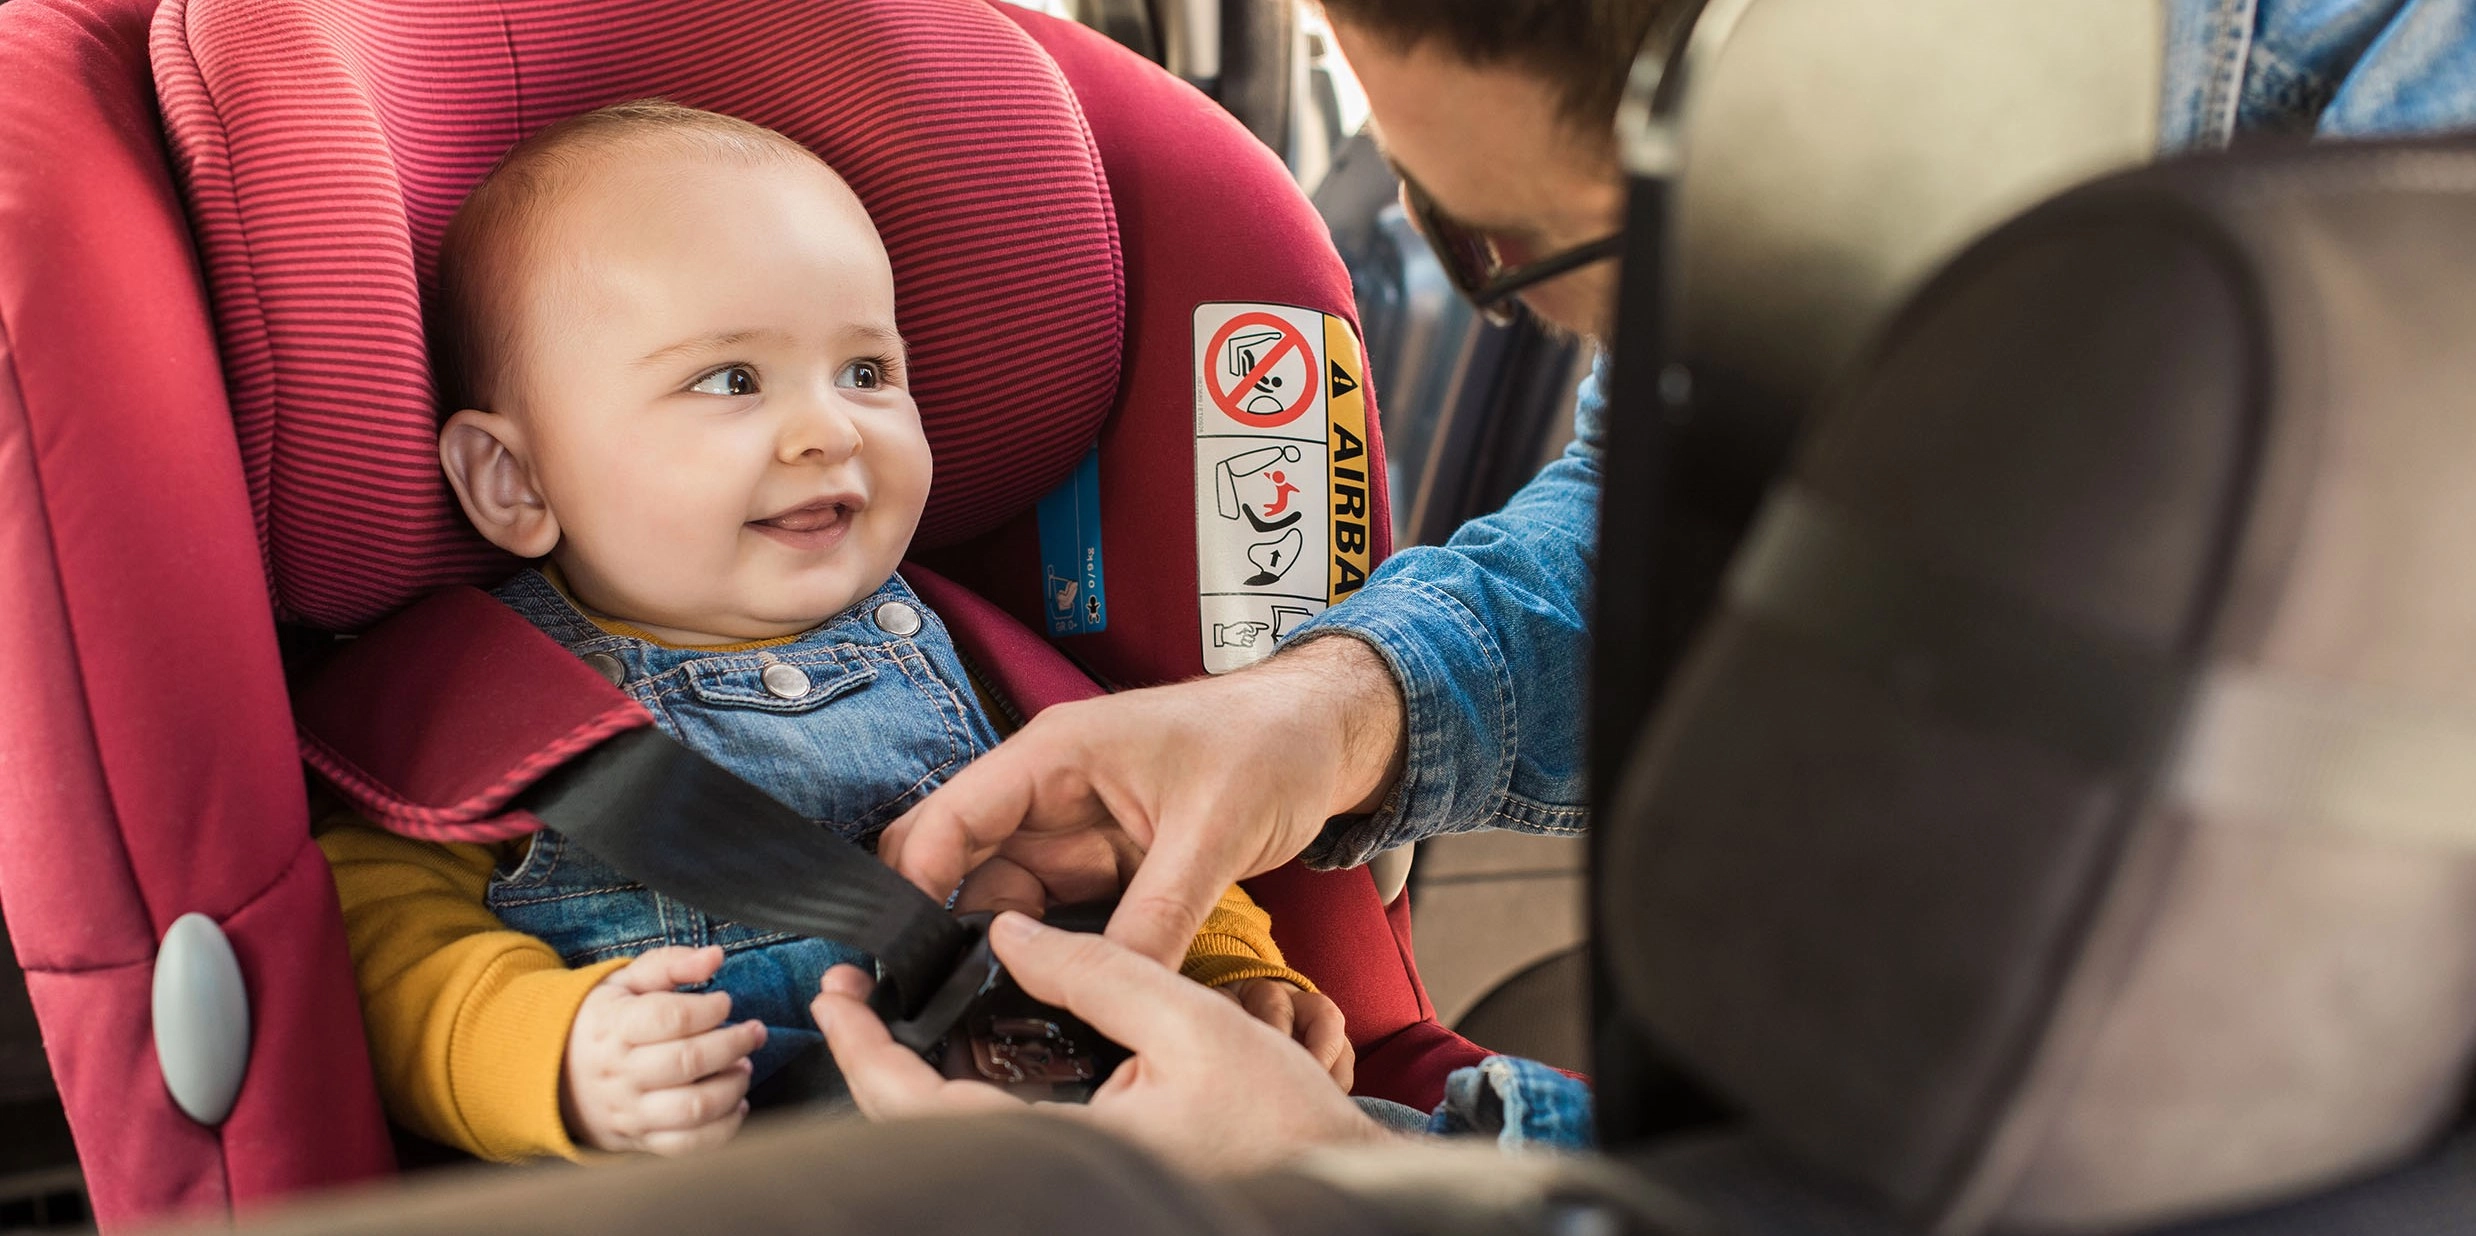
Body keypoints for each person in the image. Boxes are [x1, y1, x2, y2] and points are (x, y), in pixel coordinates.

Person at [824, 0, 2476, 1164]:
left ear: (1803, 70)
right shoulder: (1811, 162)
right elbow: (1691, 484)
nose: (1524, 318)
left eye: (1514, 246)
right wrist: (1333, 711)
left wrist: (1378, 1194)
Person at [312, 100, 1347, 1164]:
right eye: (730, 380)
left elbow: (1134, 838)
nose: (829, 430)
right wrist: (560, 1057)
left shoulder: (979, 659)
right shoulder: (479, 714)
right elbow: (384, 949)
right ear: (514, 479)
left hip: (1093, 1137)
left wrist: (1227, 970)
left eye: (867, 372)